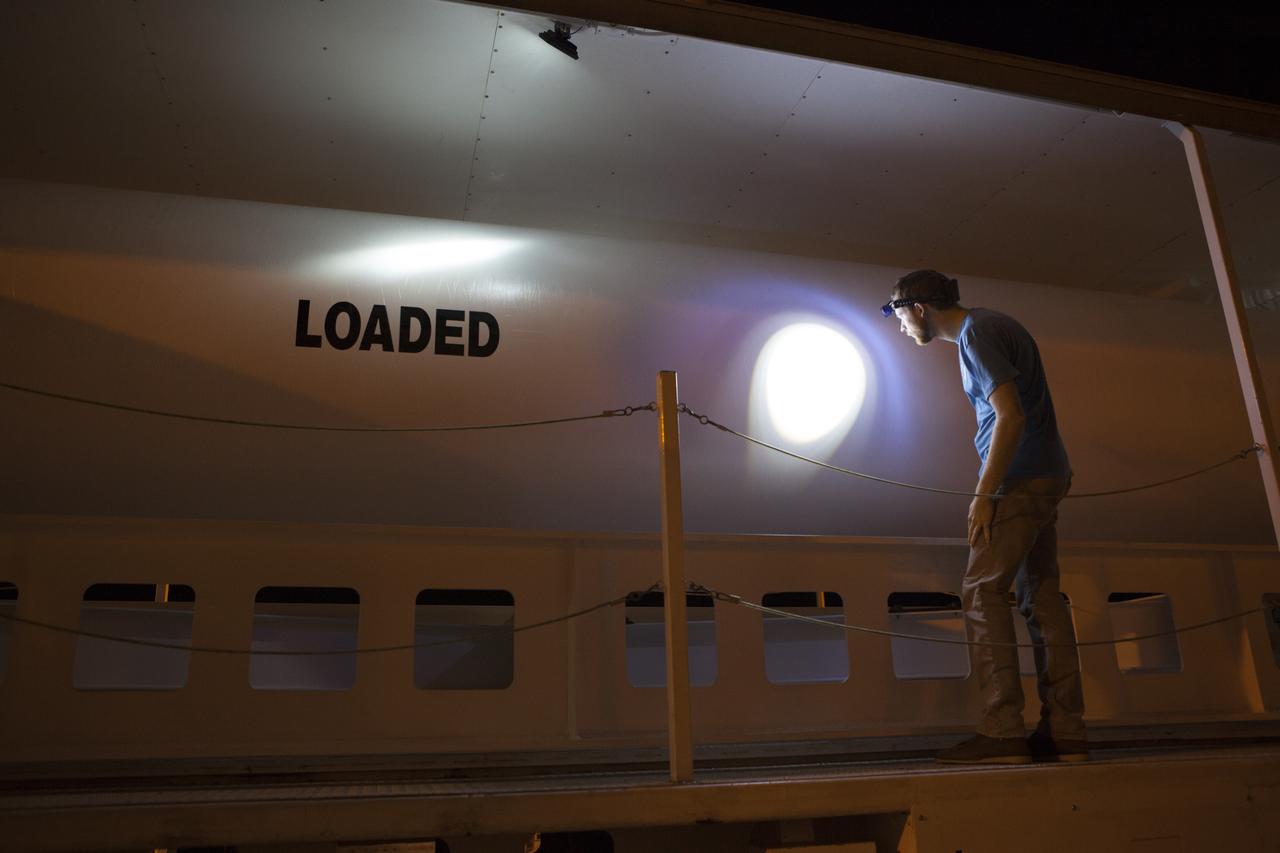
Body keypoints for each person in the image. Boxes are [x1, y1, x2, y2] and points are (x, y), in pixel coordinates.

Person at [883, 269, 1087, 764]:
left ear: (919, 307)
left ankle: (1002, 731)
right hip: (1048, 471)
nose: (899, 325)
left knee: (980, 591)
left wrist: (984, 492)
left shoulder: (975, 334)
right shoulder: (997, 323)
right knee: (1041, 598)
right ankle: (1066, 732)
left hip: (1017, 480)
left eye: (895, 312)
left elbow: (1009, 415)